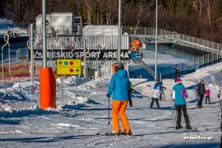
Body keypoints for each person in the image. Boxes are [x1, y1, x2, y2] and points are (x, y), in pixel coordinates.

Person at [107, 62, 132, 135]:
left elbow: (112, 85)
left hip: (117, 98)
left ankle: (116, 130)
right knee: (122, 113)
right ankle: (127, 130)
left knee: (115, 113)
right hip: (125, 99)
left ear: (117, 68)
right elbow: (128, 86)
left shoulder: (115, 76)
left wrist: (109, 93)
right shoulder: (126, 76)